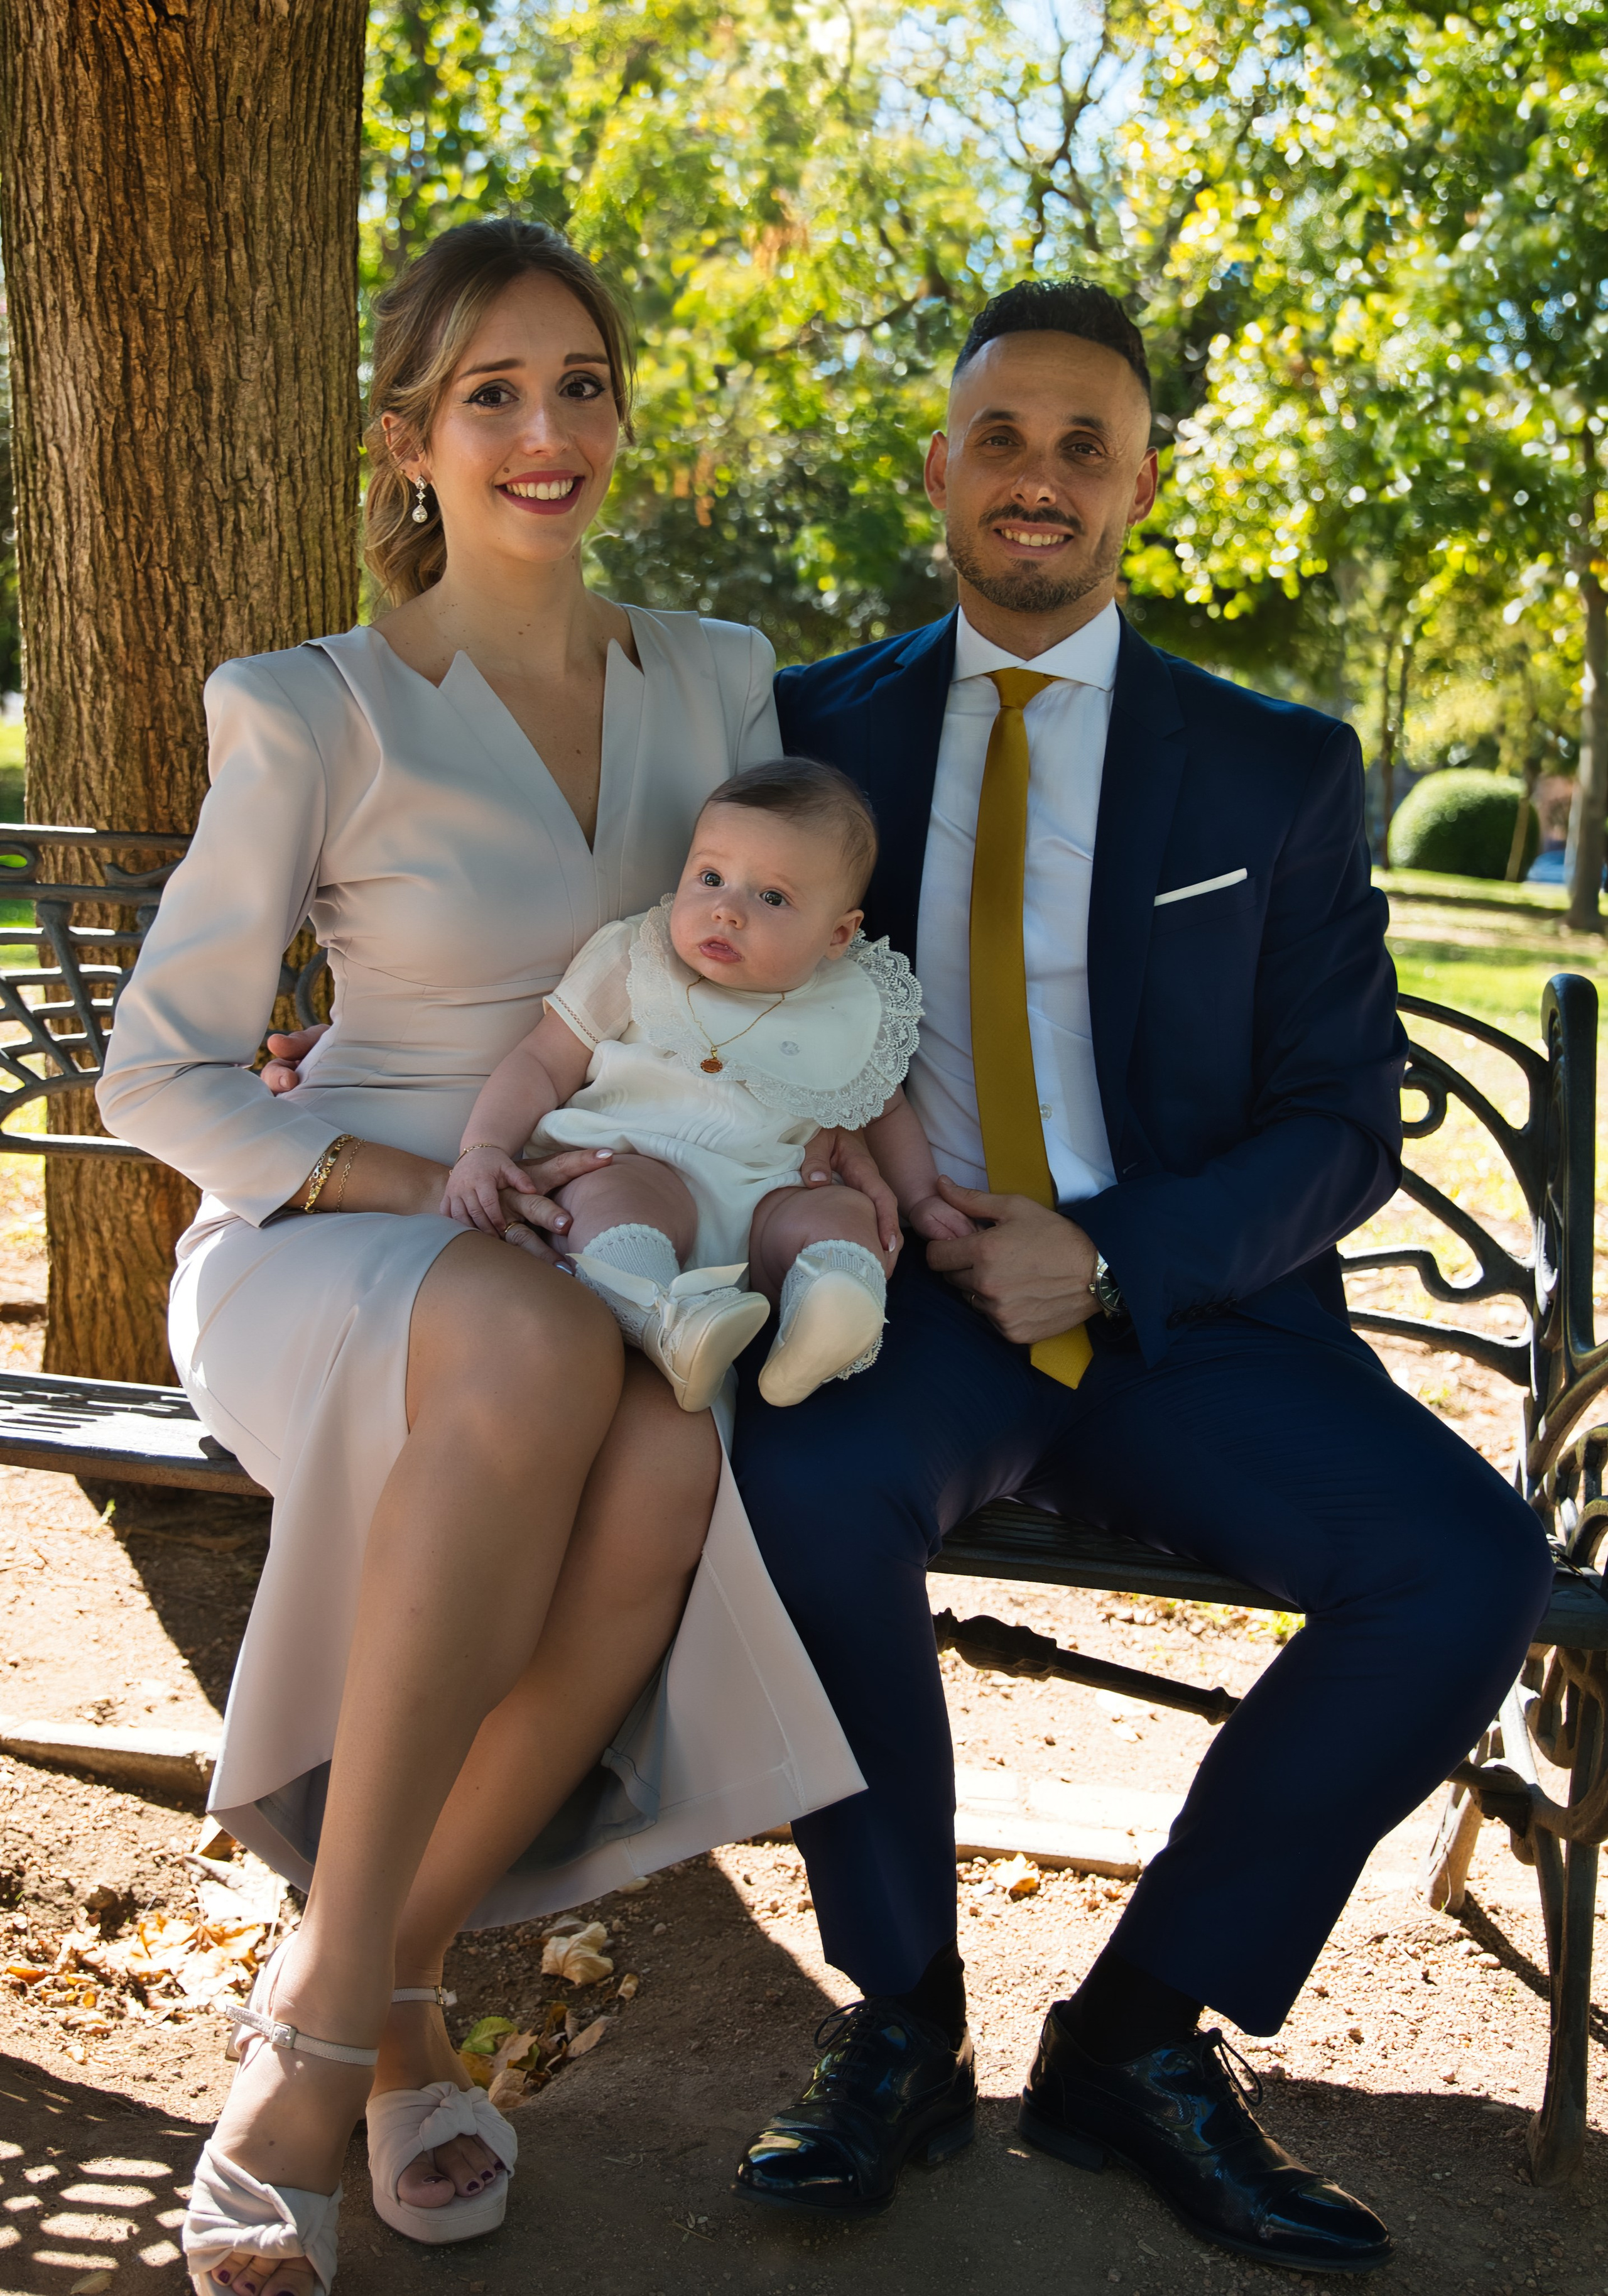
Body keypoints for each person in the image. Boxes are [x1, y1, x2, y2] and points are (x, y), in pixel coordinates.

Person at [723, 280, 1555, 2272]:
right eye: (1000, 435)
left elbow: (1339, 1120)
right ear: (936, 467)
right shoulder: (811, 724)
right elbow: (696, 970)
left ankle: (1134, 2034)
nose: (1038, 478)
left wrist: (1105, 1249)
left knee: (1461, 1567)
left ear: (1143, 484)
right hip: (910, 1300)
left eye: (1083, 443)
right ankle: (901, 2019)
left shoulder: (1271, 768)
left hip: (1181, 1313)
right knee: (796, 1484)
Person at [95, 217, 860, 2296]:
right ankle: (326, 2053)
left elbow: (778, 960)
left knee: (671, 1462)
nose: (549, 431)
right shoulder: (309, 704)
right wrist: (370, 1177)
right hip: (337, 1242)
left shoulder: (715, 677)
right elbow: (152, 1077)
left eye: (583, 385)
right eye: (494, 394)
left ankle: (376, 1991)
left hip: (616, 1246)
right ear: (411, 442)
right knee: (530, 1361)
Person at [443, 758, 965, 1411]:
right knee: (609, 1197)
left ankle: (826, 1314)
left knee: (843, 1213)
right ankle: (665, 1319)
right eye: (711, 877)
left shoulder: (849, 1006)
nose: (726, 910)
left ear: (838, 934)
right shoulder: (637, 955)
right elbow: (541, 1062)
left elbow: (886, 1113)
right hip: (638, 1162)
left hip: (770, 1196)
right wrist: (484, 1145)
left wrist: (918, 1200)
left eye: (771, 897)